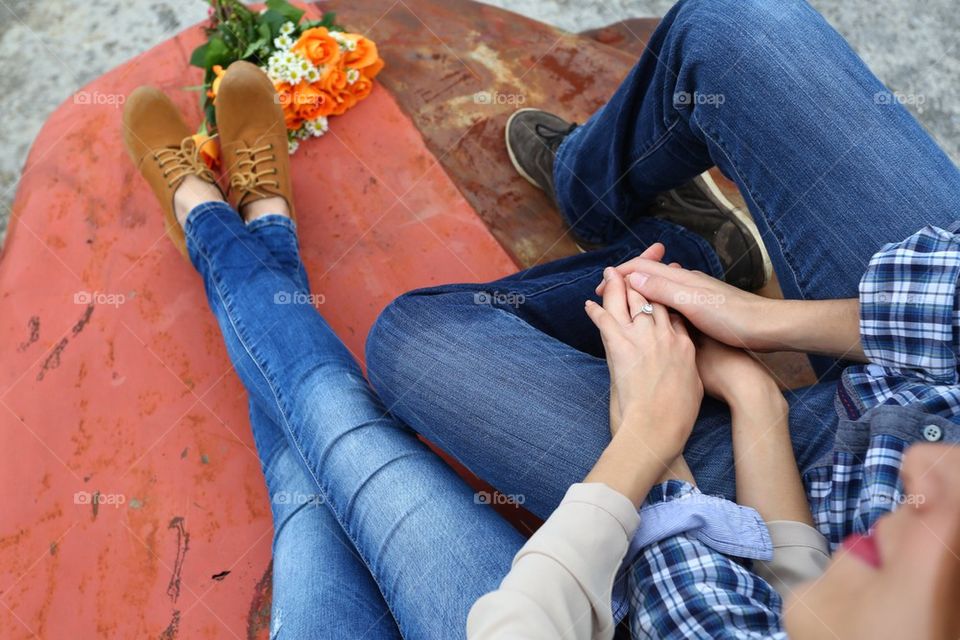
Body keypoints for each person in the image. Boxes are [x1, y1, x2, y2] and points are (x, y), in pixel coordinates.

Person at [364, 0, 960, 636]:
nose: (929, 463)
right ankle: (603, 199)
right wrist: (762, 341)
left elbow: (776, 612)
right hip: (930, 362)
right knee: (734, 26)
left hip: (808, 501)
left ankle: (685, 258)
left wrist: (650, 432)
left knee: (418, 341)